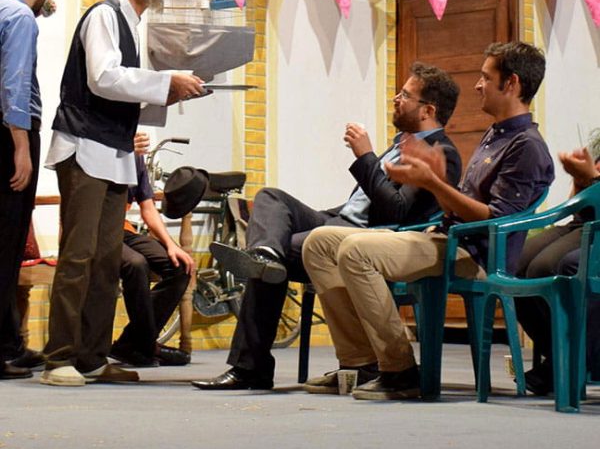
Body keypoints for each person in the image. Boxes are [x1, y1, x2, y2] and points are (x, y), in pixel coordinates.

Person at [302, 41, 554, 400]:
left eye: (486, 77)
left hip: (477, 256)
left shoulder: (526, 145)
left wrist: (433, 183)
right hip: (446, 239)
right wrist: (433, 182)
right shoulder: (496, 134)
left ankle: (400, 369)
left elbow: (496, 220)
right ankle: (360, 363)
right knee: (319, 242)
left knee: (356, 250)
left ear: (511, 83)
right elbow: (462, 206)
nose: (478, 85)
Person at [191, 62, 462, 391]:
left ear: (428, 110)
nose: (396, 98)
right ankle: (264, 255)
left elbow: (397, 211)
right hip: (339, 221)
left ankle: (252, 366)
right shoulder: (400, 144)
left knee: (276, 258)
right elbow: (362, 203)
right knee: (271, 199)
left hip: (370, 239)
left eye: (405, 95)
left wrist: (366, 157)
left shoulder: (439, 152)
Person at [40, 0, 206, 387]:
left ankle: (92, 357)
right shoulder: (105, 15)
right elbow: (103, 78)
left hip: (115, 153)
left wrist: (169, 91)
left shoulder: (133, 24)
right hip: (84, 146)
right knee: (79, 256)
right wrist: (164, 81)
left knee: (106, 260)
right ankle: (59, 357)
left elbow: (124, 92)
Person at [0, 0, 54, 381]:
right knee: (7, 244)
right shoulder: (20, 17)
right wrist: (21, 146)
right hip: (9, 134)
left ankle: (10, 343)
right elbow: (14, 82)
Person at [516, 142, 600, 396]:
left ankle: (570, 360)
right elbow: (578, 202)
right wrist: (581, 179)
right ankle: (559, 354)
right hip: (583, 221)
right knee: (515, 264)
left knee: (553, 267)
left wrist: (592, 178)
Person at [110, 132, 195, 367]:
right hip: (100, 230)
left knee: (180, 266)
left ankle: (132, 343)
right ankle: (147, 345)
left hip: (124, 229)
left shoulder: (137, 159)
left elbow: (147, 207)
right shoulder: (107, 150)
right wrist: (121, 150)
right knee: (136, 264)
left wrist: (171, 245)